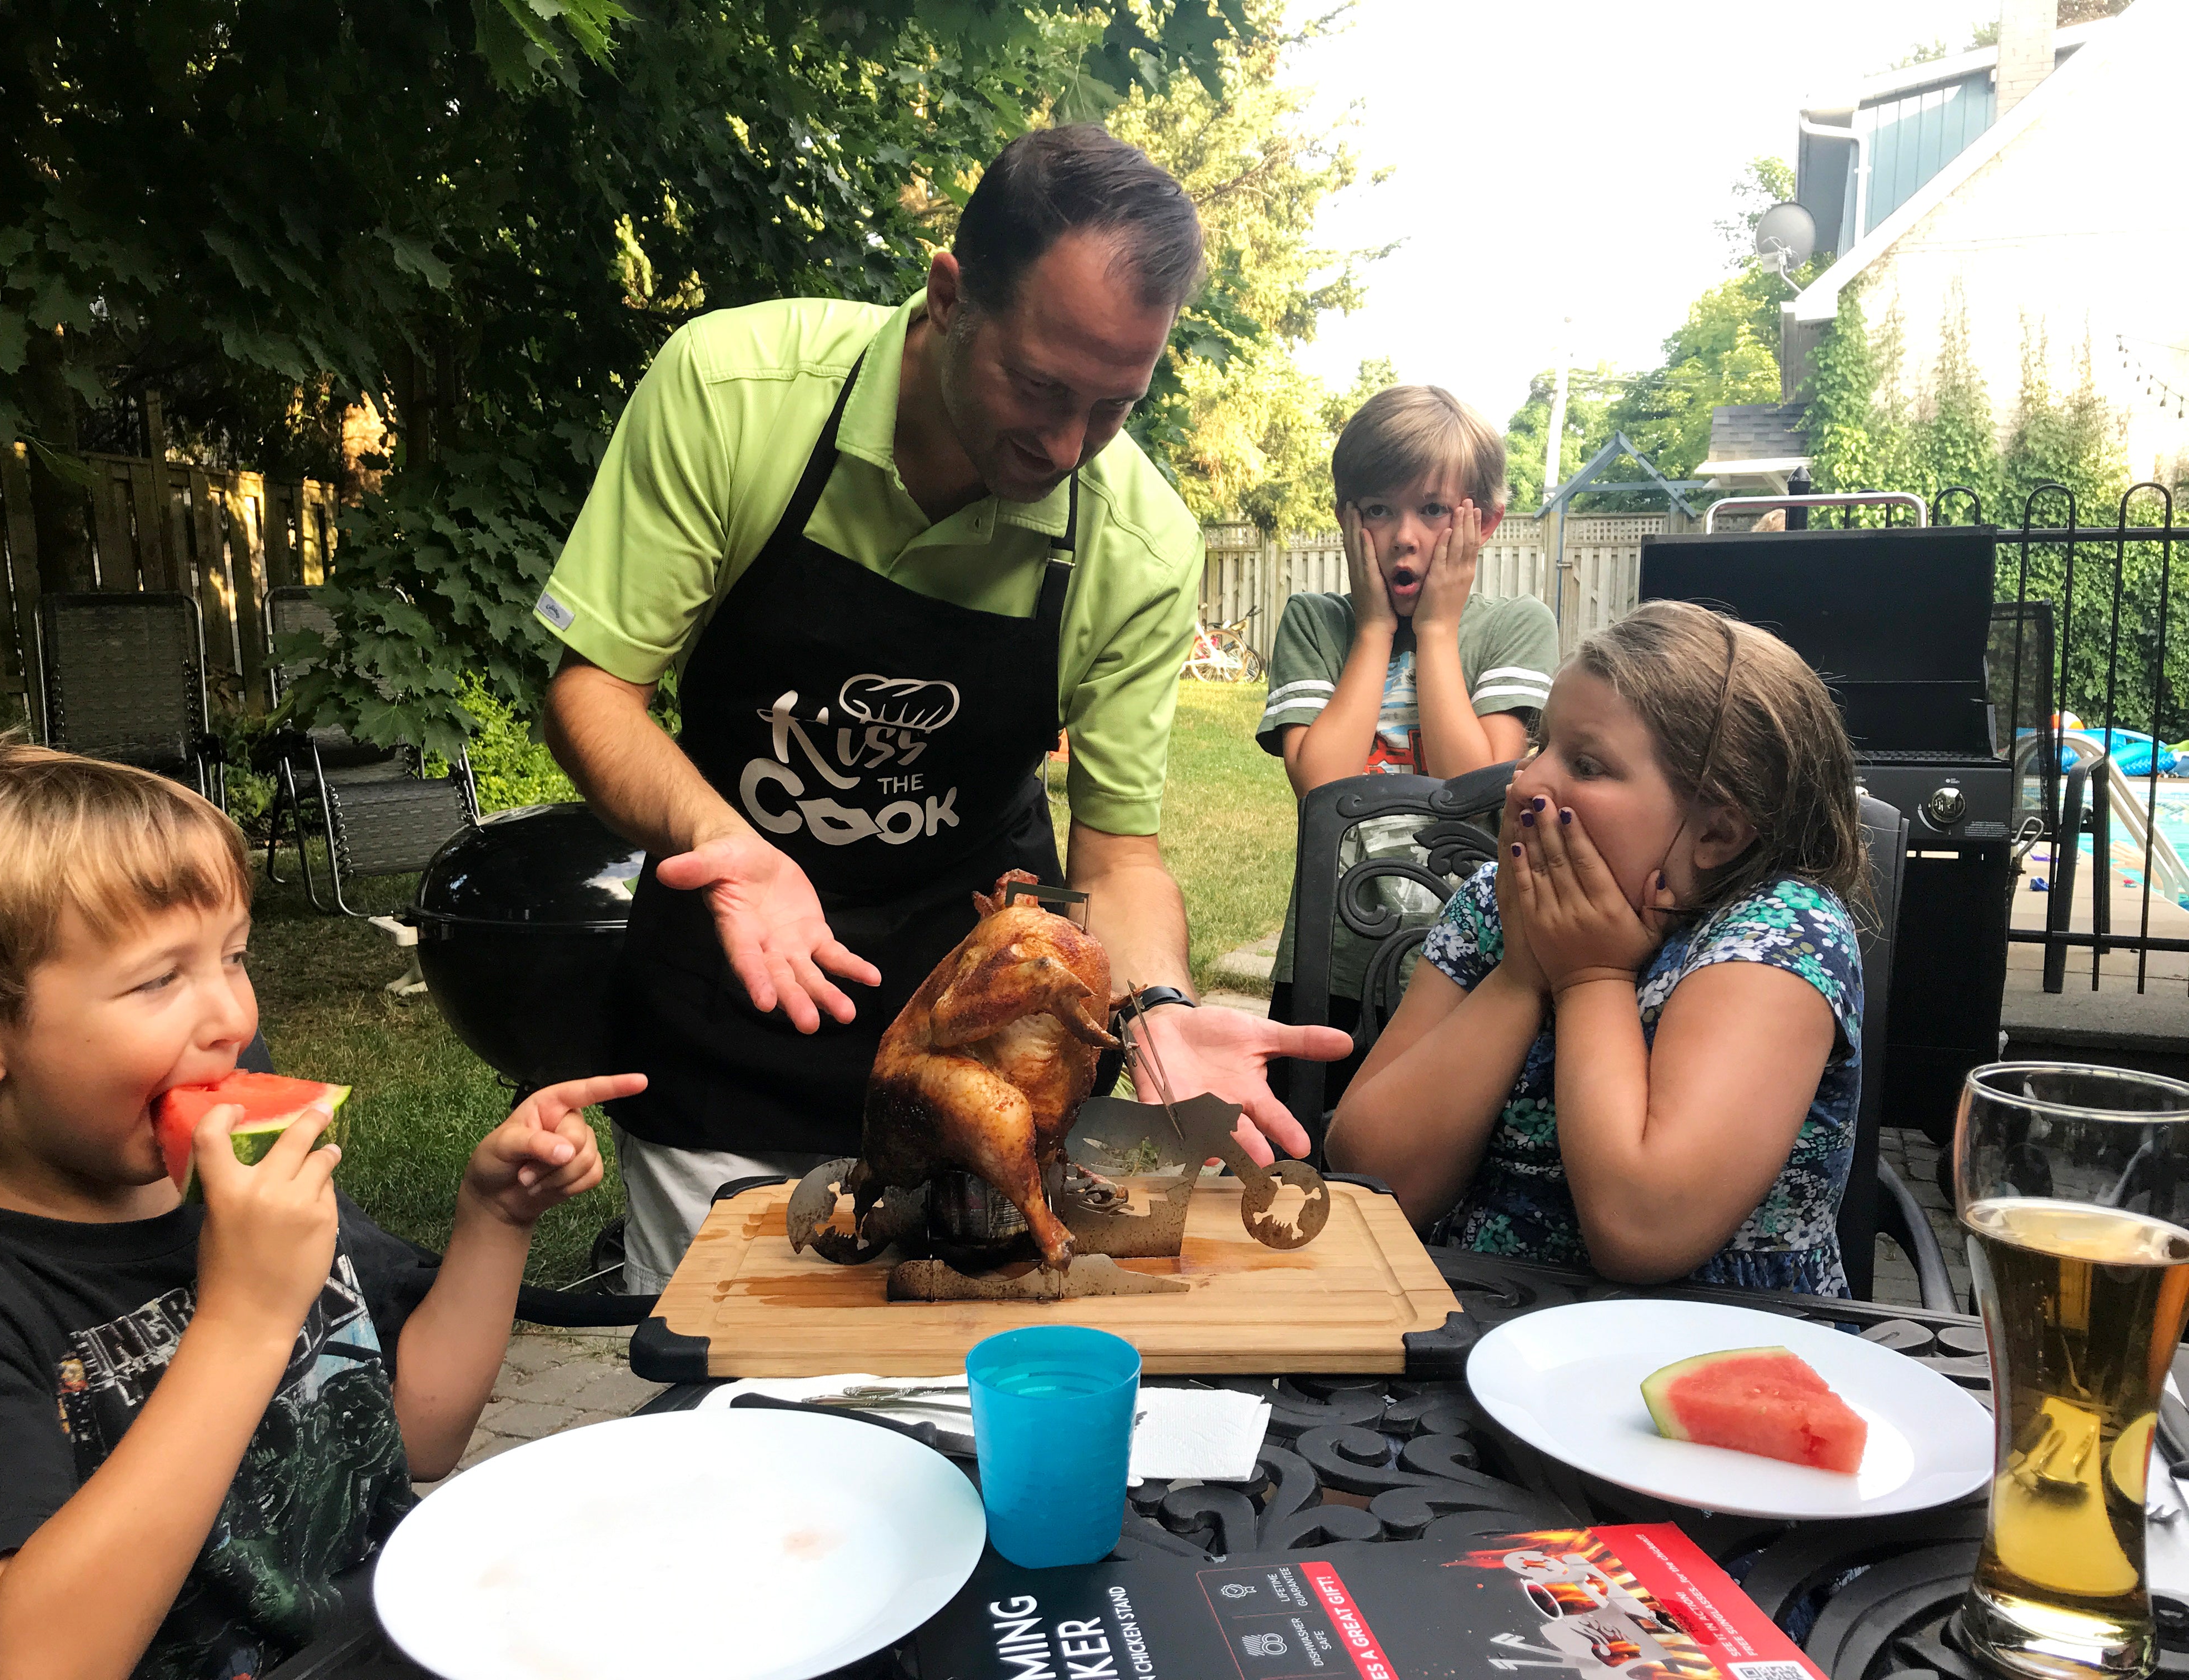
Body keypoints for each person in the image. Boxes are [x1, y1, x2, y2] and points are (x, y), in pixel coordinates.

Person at [536, 123, 1348, 1292]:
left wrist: (1160, 1002)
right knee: (737, 1404)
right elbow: (592, 687)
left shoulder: (1138, 539)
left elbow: (1118, 855)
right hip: (732, 1002)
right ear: (951, 294)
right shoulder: (736, 393)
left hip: (993, 1064)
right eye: (1041, 386)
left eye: (1115, 408)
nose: (1070, 445)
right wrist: (728, 843)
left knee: (957, 1411)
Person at [0, 727, 640, 1680]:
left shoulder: (239, 1182)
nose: (235, 1017)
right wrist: (243, 1316)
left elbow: (420, 1431)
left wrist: (495, 1220)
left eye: (232, 957)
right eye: (160, 979)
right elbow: (33, 1658)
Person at [1326, 602, 1867, 1296]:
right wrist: (1522, 977)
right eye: (1541, 744)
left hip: (1722, 1353)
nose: (1526, 780)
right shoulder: (1499, 906)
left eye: (1585, 763)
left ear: (1718, 834)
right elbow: (1372, 1181)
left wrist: (1589, 978)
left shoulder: (1779, 932)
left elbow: (1643, 1227)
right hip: (1463, 1326)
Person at [1257, 385, 1557, 1105]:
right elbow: (1323, 788)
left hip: (1462, 971)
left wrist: (1437, 632)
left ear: (1485, 522)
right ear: (1344, 518)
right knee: (1305, 1161)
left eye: (1432, 510)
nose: (1405, 537)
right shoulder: (1316, 625)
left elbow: (1478, 787)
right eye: (1379, 509)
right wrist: (1370, 633)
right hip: (1326, 967)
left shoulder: (1515, 628)